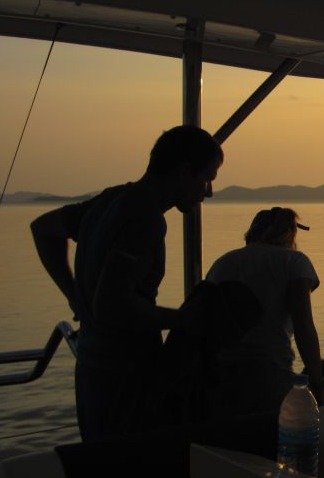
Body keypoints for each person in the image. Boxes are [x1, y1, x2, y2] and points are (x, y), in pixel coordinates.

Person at [30, 125, 223, 441]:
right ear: (184, 171)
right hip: (125, 377)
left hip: (92, 369)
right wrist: (183, 320)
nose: (208, 192)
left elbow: (43, 229)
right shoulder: (145, 218)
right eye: (206, 179)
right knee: (128, 466)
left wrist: (74, 293)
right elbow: (111, 306)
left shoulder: (111, 200)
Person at [204, 207, 324, 417]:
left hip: (220, 380)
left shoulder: (222, 263)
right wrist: (318, 384)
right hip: (270, 378)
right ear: (289, 234)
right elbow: (303, 326)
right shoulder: (294, 261)